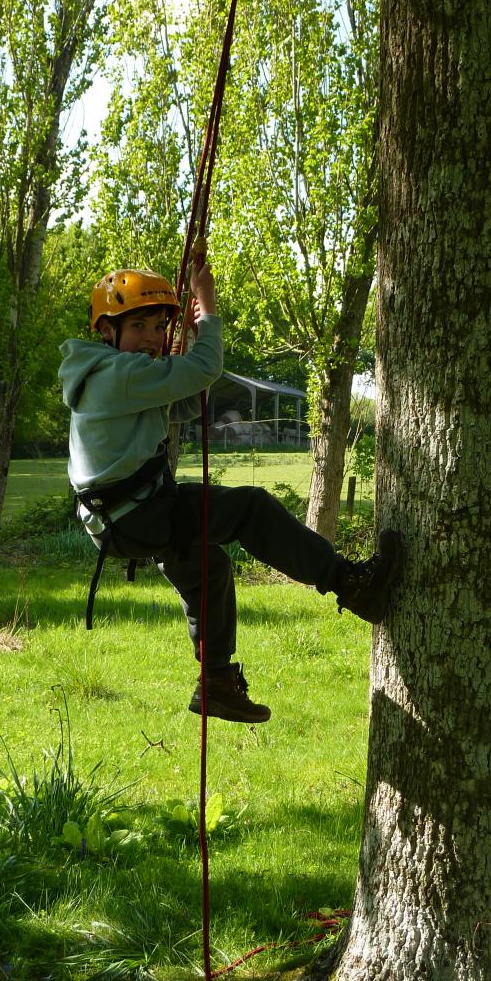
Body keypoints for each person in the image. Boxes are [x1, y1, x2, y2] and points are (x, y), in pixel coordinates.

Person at [59, 264, 404, 724]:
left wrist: (178, 365)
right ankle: (351, 584)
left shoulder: (108, 372)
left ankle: (217, 682)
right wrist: (208, 307)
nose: (151, 337)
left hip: (123, 519)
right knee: (251, 509)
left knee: (209, 566)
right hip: (139, 512)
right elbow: (205, 369)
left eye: (159, 327)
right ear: (106, 329)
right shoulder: (118, 373)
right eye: (138, 325)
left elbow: (183, 402)